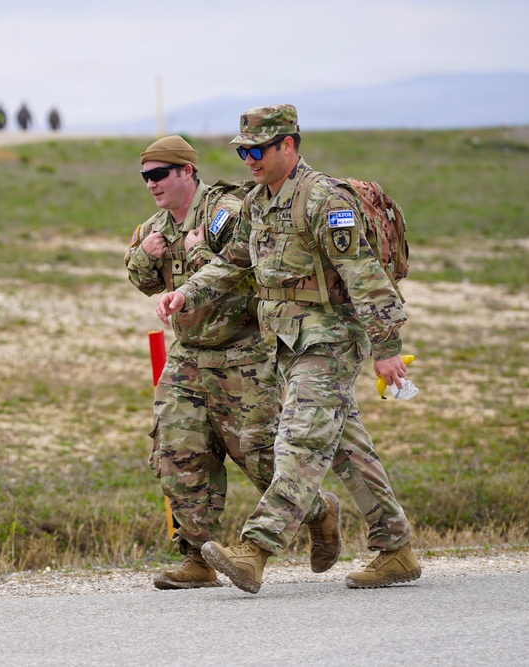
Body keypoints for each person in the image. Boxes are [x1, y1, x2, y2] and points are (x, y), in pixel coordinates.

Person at [157, 105, 421, 594]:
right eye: (243, 151)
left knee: (297, 442)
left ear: (288, 146)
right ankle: (397, 547)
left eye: (258, 149)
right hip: (284, 343)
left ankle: (254, 551)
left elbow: (366, 278)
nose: (249, 159)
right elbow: (233, 262)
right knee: (346, 448)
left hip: (330, 340)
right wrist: (186, 293)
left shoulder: (323, 199)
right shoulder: (258, 203)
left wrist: (386, 347)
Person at [127, 136, 339, 590]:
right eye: (145, 177)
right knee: (177, 451)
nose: (151, 185)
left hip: (241, 351)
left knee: (259, 454)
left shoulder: (227, 210)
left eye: (160, 174)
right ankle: (196, 558)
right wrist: (147, 256)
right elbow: (140, 280)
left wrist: (199, 250)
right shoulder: (154, 227)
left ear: (187, 171)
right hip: (187, 354)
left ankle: (319, 510)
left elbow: (248, 263)